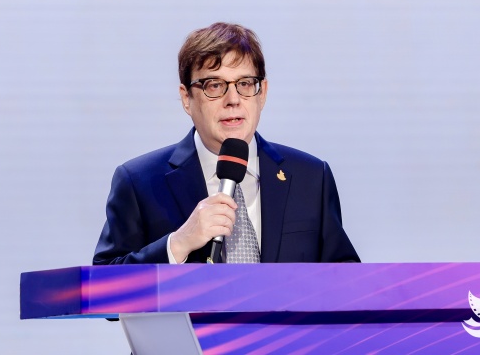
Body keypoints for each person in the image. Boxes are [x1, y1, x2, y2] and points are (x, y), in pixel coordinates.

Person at [93, 22, 360, 264]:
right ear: (186, 98)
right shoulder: (139, 182)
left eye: (245, 83)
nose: (233, 99)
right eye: (214, 85)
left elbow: (346, 279)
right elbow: (104, 284)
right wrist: (178, 244)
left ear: (262, 93)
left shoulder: (311, 177)